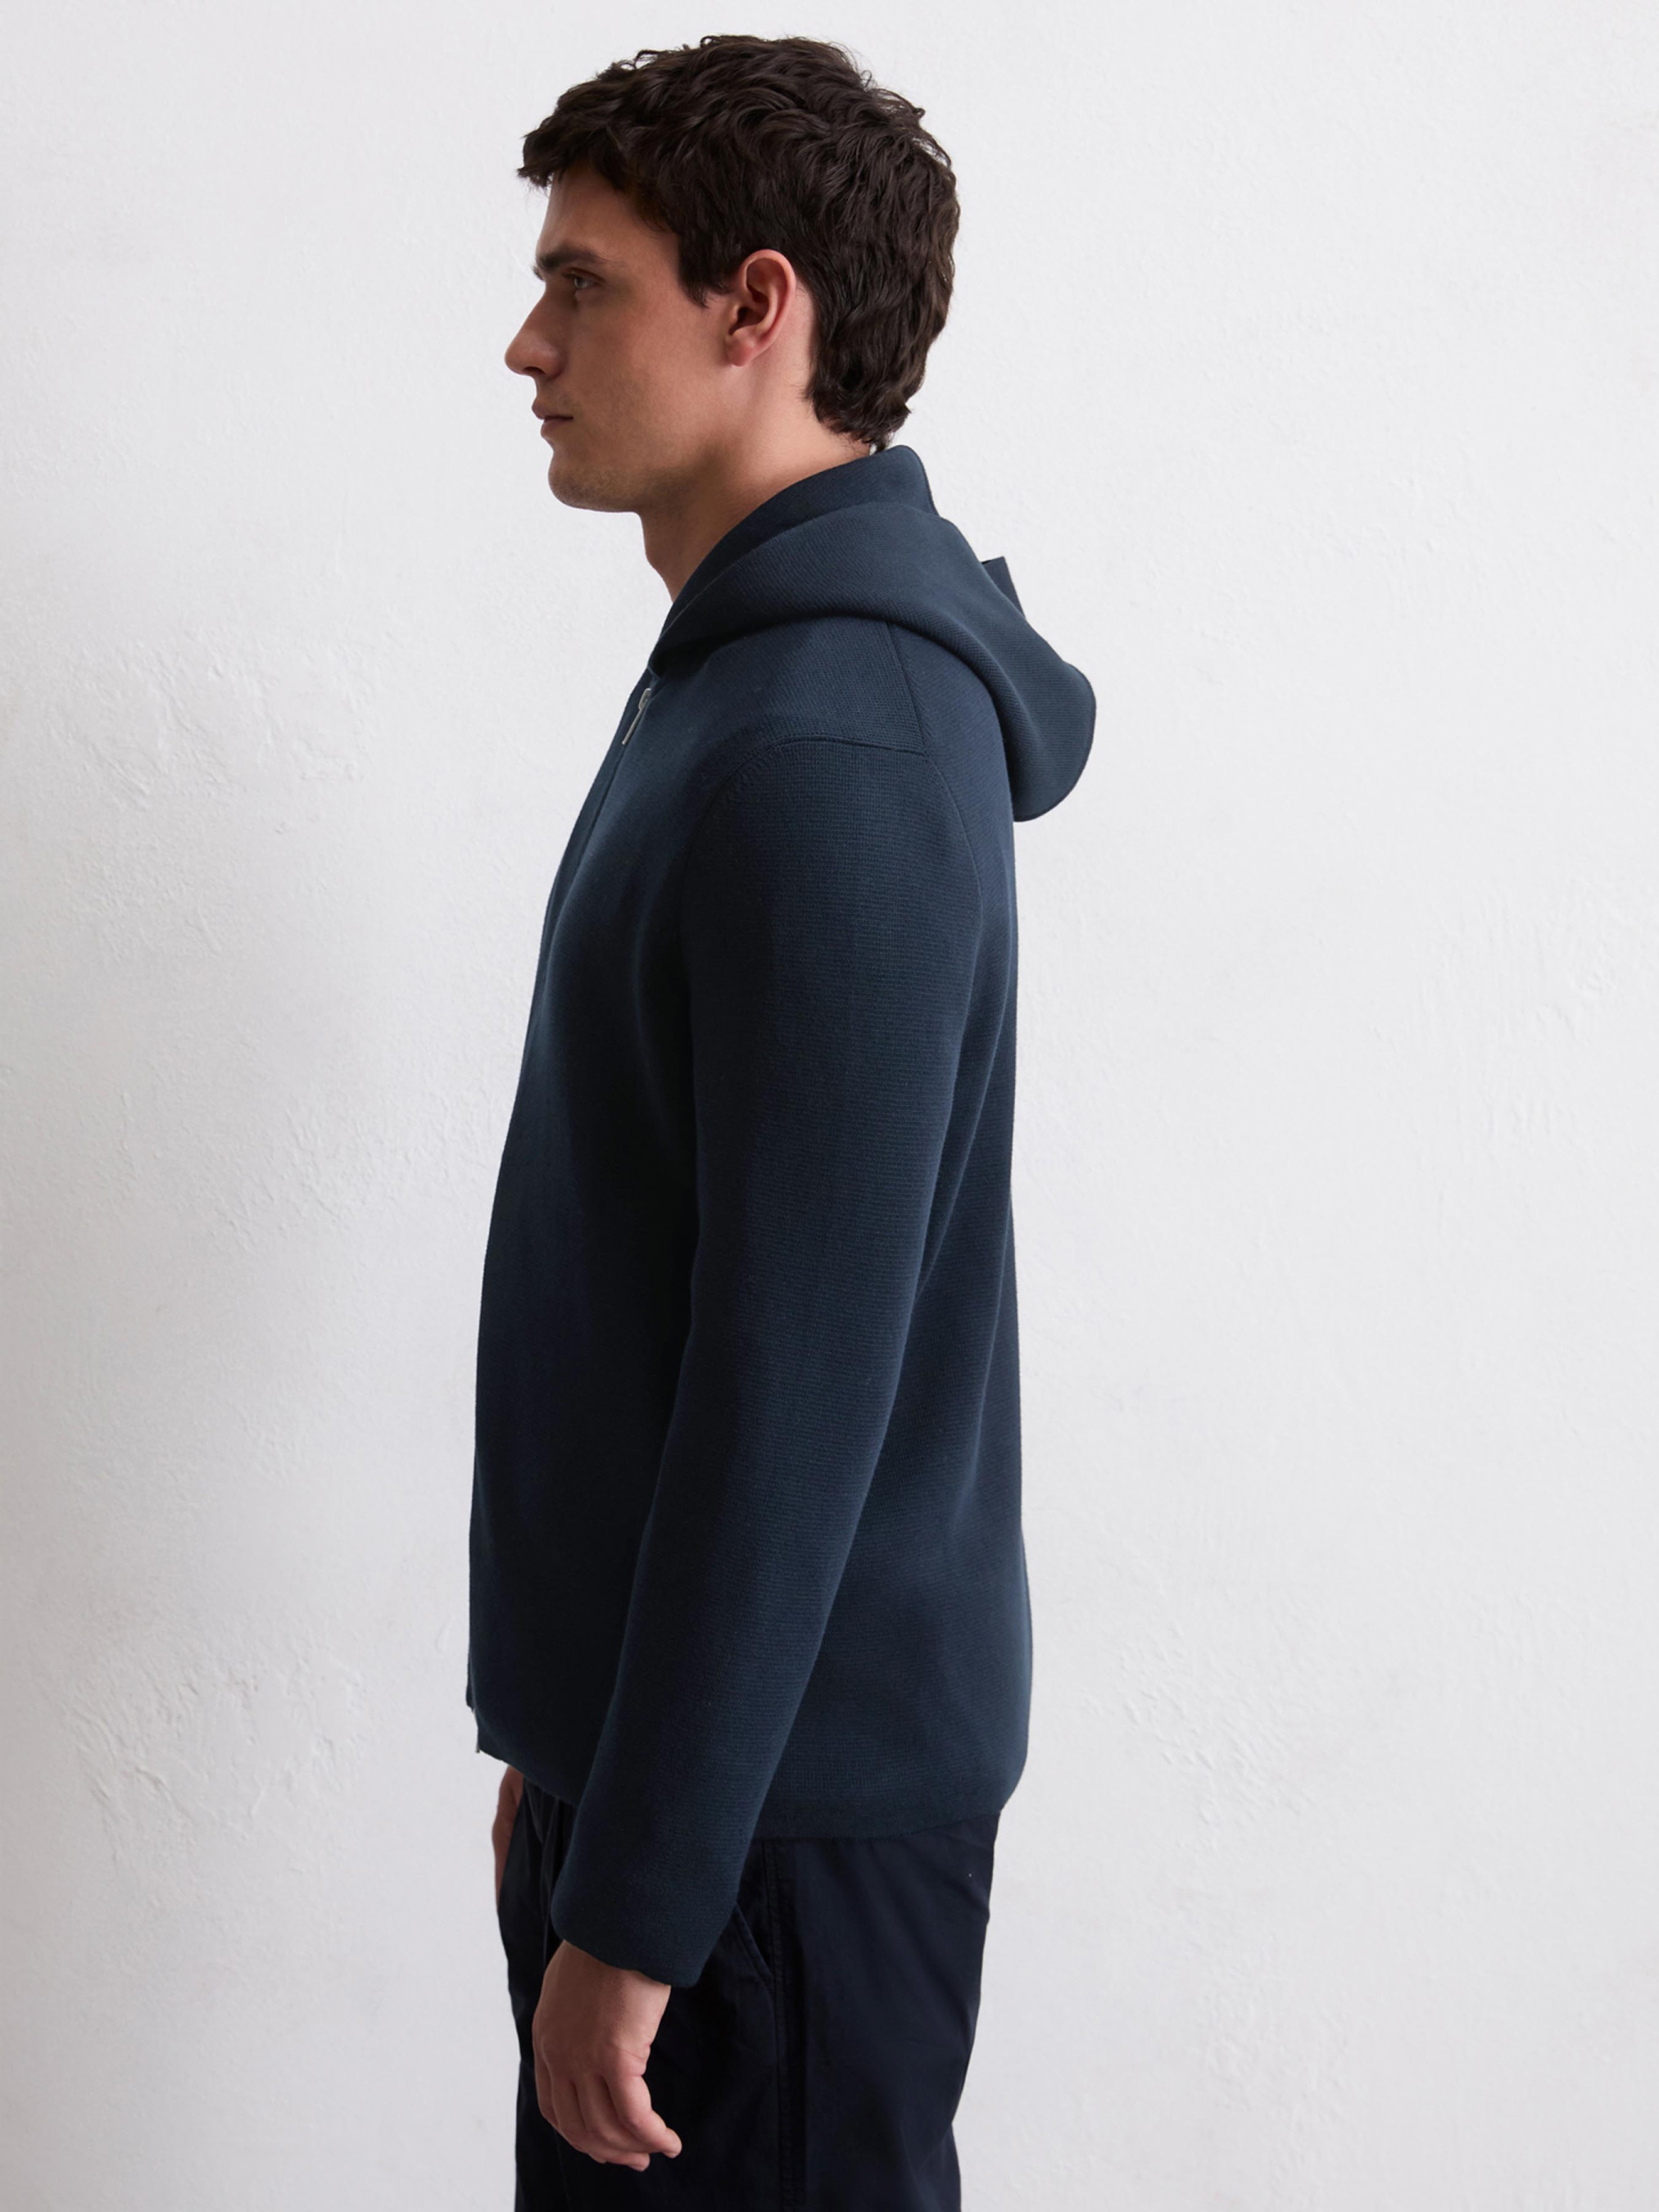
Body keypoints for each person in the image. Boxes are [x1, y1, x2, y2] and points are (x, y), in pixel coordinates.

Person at [468, 33, 1095, 2209]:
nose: (528, 344)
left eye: (583, 284)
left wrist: (645, 1882)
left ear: (758, 307)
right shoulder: (748, 679)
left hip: (771, 1845)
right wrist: (583, 1756)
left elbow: (791, 1388)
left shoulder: (833, 738)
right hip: (699, 1796)